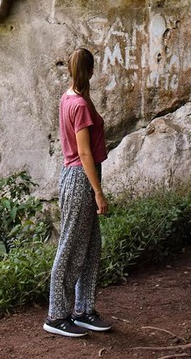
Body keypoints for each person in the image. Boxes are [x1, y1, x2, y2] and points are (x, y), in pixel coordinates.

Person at [43, 47, 112, 338]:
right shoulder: (79, 105)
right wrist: (98, 192)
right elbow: (84, 152)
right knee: (70, 247)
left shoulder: (71, 96)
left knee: (91, 246)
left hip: (78, 178)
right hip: (81, 180)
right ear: (92, 71)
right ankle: (56, 315)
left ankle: (83, 310)